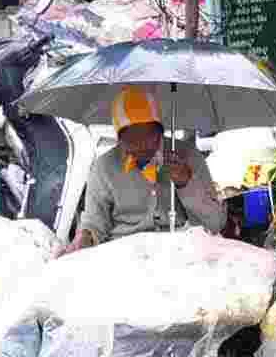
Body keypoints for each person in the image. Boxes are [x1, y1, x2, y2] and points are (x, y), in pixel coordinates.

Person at [55, 87, 226, 257]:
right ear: (119, 138)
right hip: (124, 257)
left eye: (148, 137)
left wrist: (187, 184)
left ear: (160, 131)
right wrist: (85, 237)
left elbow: (215, 223)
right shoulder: (104, 167)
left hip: (178, 254)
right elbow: (94, 222)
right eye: (131, 140)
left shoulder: (188, 156)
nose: (141, 146)